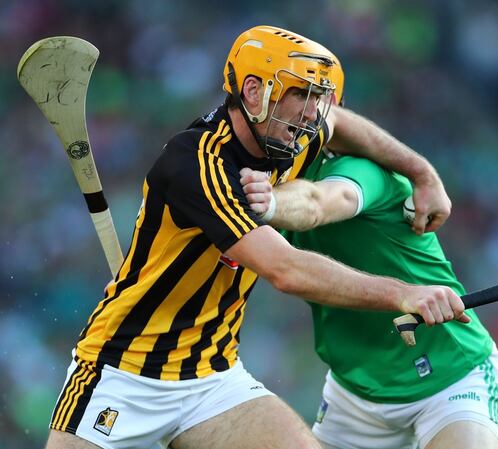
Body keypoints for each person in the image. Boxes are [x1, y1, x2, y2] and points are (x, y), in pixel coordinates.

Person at [45, 25, 467, 449]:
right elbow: (286, 270)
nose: (312, 114)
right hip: (122, 372)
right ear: (253, 91)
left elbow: (339, 123)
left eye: (319, 97)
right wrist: (402, 293)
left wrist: (422, 173)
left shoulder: (290, 135)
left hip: (212, 376)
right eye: (302, 94)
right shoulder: (198, 162)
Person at [240, 62, 498, 449]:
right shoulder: (267, 173)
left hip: (451, 377)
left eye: (310, 100)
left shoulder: (360, 171)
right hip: (355, 393)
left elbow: (318, 203)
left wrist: (270, 203)